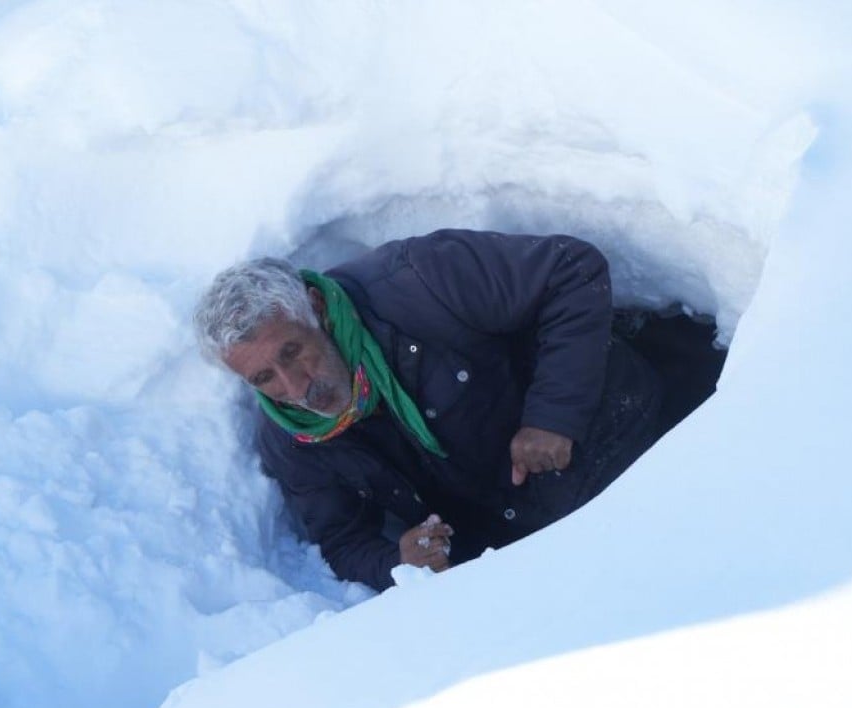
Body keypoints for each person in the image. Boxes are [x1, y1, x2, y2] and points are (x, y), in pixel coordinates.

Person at [194, 229, 724, 590]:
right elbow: (341, 537)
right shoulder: (293, 438)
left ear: (315, 310)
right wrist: (397, 560)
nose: (294, 386)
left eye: (292, 351)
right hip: (535, 549)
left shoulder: (418, 281)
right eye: (264, 378)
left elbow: (572, 270)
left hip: (638, 448)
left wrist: (553, 416)